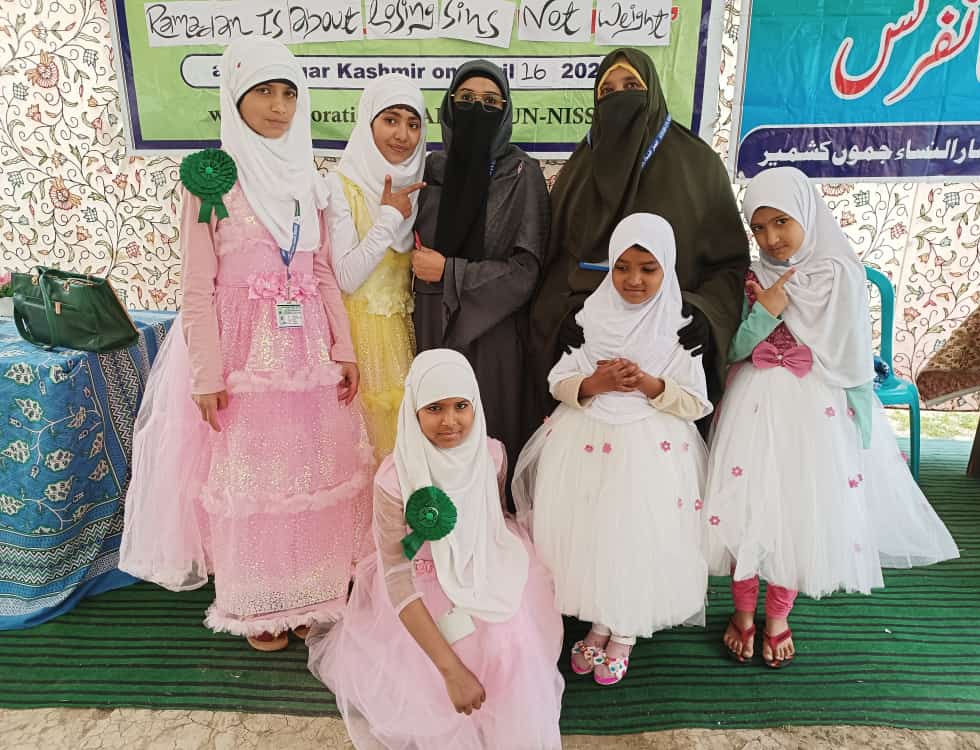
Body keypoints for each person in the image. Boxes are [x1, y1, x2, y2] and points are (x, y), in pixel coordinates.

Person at [120, 39, 373, 651]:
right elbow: (196, 287)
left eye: (289, 92)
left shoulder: (307, 179)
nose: (279, 106)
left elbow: (320, 272)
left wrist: (343, 348)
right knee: (253, 480)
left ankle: (309, 592)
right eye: (264, 91)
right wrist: (206, 373)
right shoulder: (214, 179)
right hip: (241, 353)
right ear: (235, 97)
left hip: (306, 352)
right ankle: (259, 602)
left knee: (309, 471)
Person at [702, 167, 959, 668]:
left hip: (816, 411)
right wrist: (765, 311)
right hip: (753, 405)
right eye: (759, 227)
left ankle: (778, 616)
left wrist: (860, 422)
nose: (771, 238)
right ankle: (743, 612)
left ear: (807, 214)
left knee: (801, 512)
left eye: (782, 222)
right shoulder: (751, 277)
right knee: (747, 509)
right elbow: (731, 351)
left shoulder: (841, 272)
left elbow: (853, 353)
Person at [307, 349, 564, 749]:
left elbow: (494, 518)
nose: (450, 421)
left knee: (509, 639)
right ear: (414, 411)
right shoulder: (394, 480)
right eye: (434, 408)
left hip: (483, 568)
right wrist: (451, 671)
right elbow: (397, 575)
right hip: (421, 584)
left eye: (461, 406)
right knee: (444, 665)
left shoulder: (492, 455)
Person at [514, 213, 712, 686]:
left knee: (636, 534)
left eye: (648, 268)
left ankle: (625, 629)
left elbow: (696, 402)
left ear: (667, 268)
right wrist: (594, 383)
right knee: (595, 533)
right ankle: (600, 620)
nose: (633, 279)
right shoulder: (591, 319)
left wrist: (650, 384)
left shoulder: (678, 330)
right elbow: (558, 381)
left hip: (651, 452)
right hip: (587, 442)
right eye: (622, 267)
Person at [527, 48, 749, 438]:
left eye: (631, 86)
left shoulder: (697, 166)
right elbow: (554, 263)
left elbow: (729, 264)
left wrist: (705, 313)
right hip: (593, 356)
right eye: (607, 91)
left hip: (668, 352)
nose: (620, 97)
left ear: (653, 92)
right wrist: (561, 318)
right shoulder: (580, 170)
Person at [412, 60, 549, 471]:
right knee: (434, 445)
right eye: (467, 99)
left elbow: (526, 271)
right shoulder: (428, 172)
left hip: (494, 335)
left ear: (505, 112)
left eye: (491, 102)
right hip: (432, 327)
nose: (478, 108)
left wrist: (451, 272)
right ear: (449, 106)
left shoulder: (521, 174)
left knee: (491, 443)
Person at [327, 75, 426, 461]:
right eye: (390, 119)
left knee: (399, 455)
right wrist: (388, 218)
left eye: (413, 124)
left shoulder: (416, 188)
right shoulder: (340, 186)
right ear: (368, 122)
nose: (402, 135)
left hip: (403, 338)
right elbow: (347, 277)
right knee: (362, 454)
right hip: (354, 343)